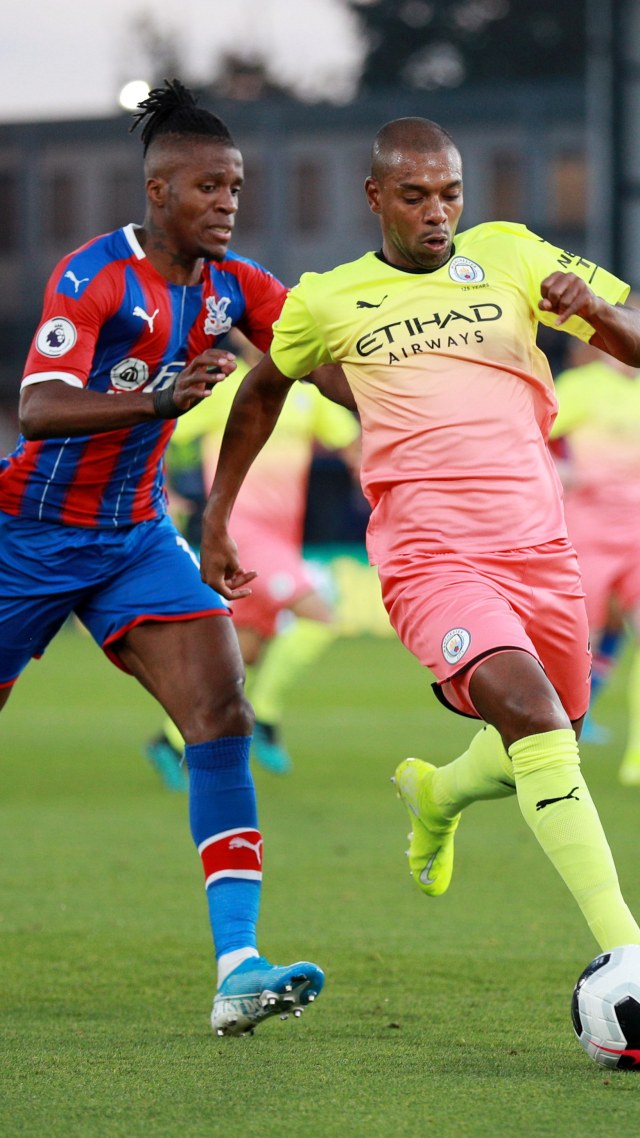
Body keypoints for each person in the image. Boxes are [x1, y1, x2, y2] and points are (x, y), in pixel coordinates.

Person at [200, 116, 640, 958]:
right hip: (429, 558)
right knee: (537, 720)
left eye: (450, 194)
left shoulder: (511, 253)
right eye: (414, 195)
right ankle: (626, 955)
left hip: (541, 550)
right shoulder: (328, 298)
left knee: (549, 741)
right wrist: (218, 516)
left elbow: (635, 339)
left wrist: (597, 314)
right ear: (376, 198)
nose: (437, 212)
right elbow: (262, 393)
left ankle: (438, 794)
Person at [0, 79, 326, 1037]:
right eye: (210, 188)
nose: (228, 202)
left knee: (221, 709)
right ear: (158, 192)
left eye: (236, 187)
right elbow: (40, 409)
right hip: (24, 537)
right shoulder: (92, 276)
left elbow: (318, 361)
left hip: (134, 538)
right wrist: (159, 402)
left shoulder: (236, 285)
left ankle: (238, 967)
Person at [147, 332, 360, 782]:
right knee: (319, 614)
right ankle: (263, 717)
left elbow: (352, 444)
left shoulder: (303, 391)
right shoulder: (224, 388)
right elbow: (161, 429)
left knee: (239, 656)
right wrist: (162, 491)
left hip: (283, 538)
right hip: (237, 532)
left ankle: (169, 739)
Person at [550, 338, 640, 784]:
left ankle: (637, 758)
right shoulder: (582, 387)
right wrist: (558, 470)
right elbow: (526, 435)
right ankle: (549, 734)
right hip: (587, 535)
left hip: (637, 534)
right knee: (577, 642)